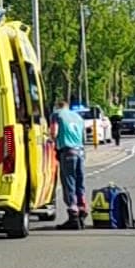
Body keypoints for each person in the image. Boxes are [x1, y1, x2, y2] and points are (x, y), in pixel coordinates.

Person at [51, 96, 88, 230]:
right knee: (80, 181)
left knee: (69, 182)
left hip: (67, 152)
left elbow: (53, 132)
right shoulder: (78, 117)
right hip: (80, 152)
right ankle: (82, 208)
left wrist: (51, 141)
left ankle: (73, 214)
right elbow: (84, 137)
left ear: (58, 106)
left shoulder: (57, 115)